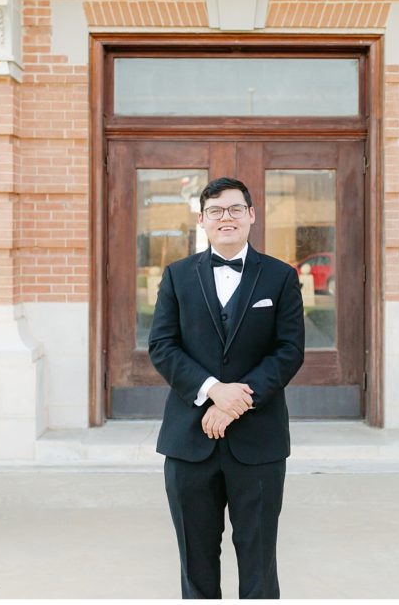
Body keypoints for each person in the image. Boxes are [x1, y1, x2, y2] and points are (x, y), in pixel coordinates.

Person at [148, 176, 305, 599]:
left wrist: (237, 401)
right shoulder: (177, 276)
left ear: (252, 216)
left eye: (236, 208)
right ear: (202, 220)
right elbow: (162, 346)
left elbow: (289, 351)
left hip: (259, 444)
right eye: (216, 210)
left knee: (259, 562)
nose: (226, 217)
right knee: (195, 563)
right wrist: (214, 390)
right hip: (189, 441)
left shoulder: (280, 277)